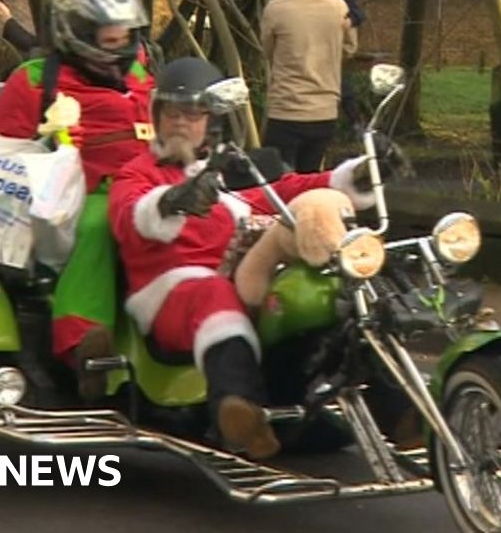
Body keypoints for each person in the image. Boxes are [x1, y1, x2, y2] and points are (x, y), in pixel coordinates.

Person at [107, 56, 382, 459]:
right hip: (171, 295)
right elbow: (130, 217)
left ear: (211, 123)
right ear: (156, 114)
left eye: (194, 114)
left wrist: (357, 175)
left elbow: (283, 189)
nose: (182, 122)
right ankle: (237, 410)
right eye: (172, 112)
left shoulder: (224, 174)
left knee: (331, 290)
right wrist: (172, 201)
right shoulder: (137, 173)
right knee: (213, 292)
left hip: (233, 280)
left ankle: (397, 410)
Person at [0, 0, 154, 396]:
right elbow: (3, 159)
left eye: (124, 35)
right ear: (75, 33)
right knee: (100, 225)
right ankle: (83, 344)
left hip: (157, 178)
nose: (119, 44)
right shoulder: (31, 80)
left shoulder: (141, 71)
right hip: (83, 195)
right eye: (108, 36)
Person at [260, 0, 356, 173]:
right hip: (324, 111)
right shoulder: (338, 6)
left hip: (286, 109)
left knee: (276, 185)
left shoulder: (276, 8)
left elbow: (269, 51)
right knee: (310, 179)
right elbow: (349, 48)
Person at [321, 0, 366, 133]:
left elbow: (359, 15)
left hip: (338, 44)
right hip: (327, 45)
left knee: (341, 84)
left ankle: (355, 121)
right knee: (338, 82)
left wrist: (349, 21)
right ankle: (353, 120)